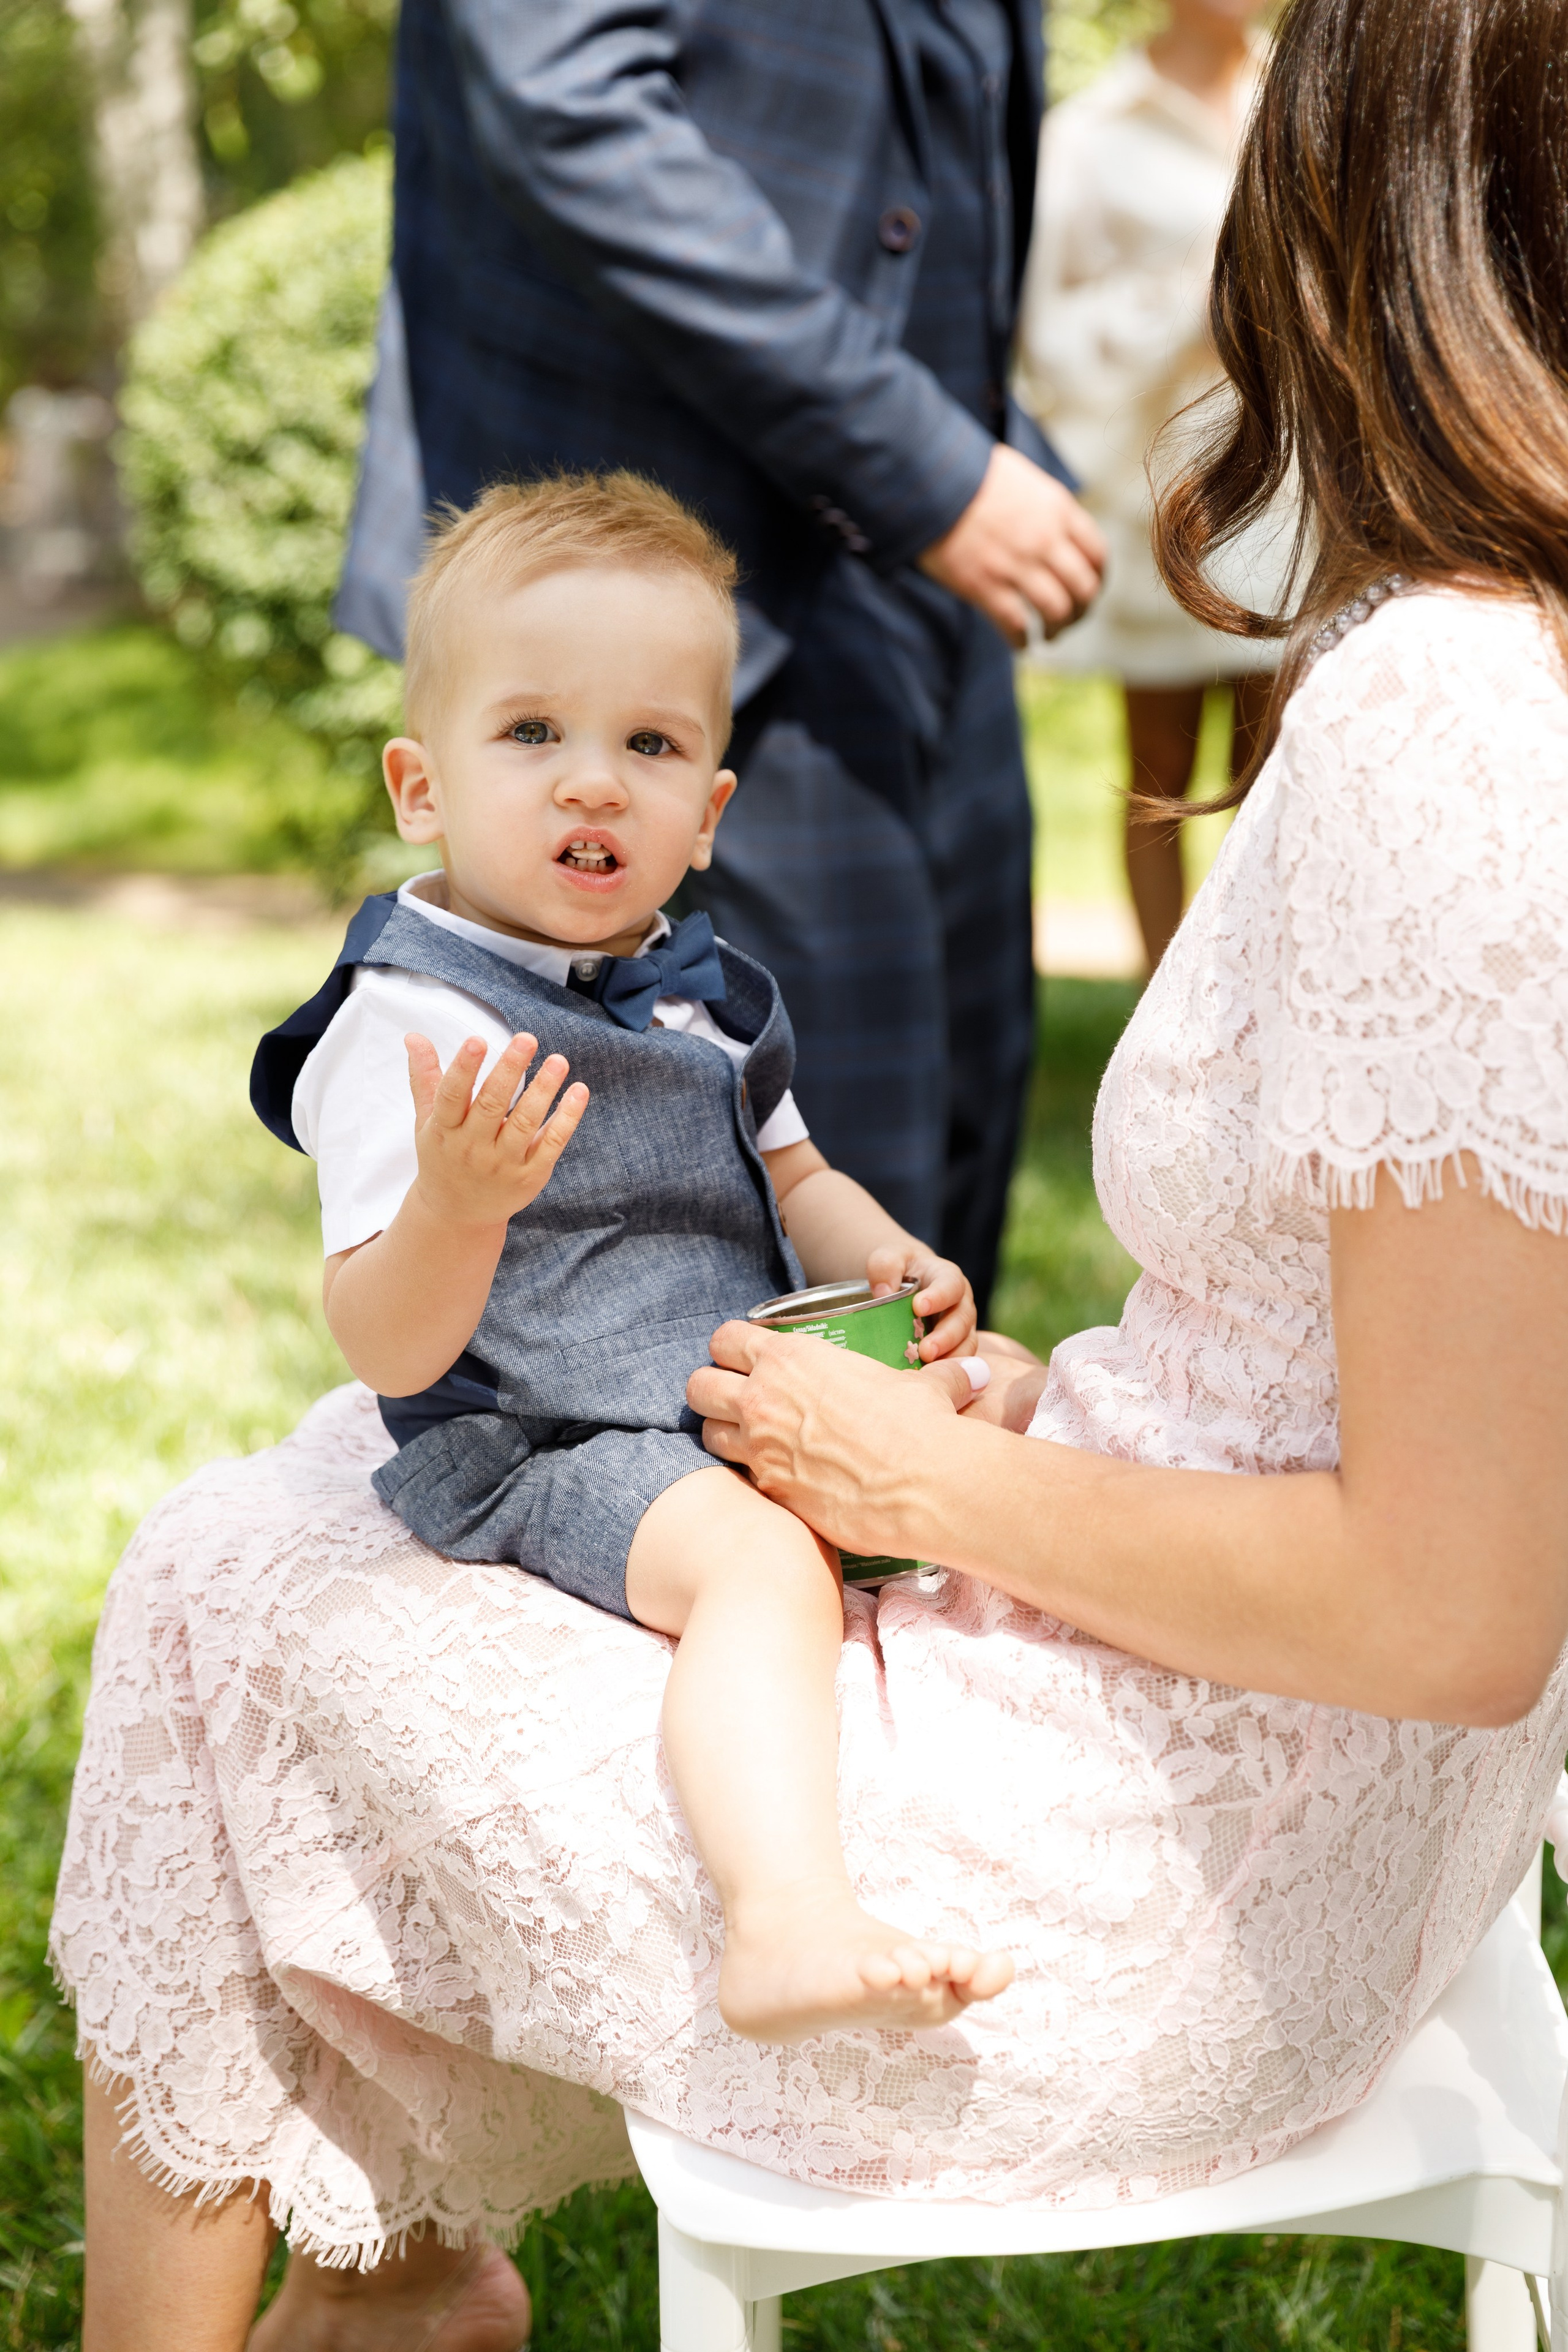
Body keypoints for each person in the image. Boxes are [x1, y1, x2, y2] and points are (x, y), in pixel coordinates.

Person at [57, 1, 1568, 2346]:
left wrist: (922, 1486)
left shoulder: (1453, 718)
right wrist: (1046, 1400)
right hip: (1275, 1781)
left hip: (1157, 1898)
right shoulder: (1499, 676)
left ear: (1373, 178)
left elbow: (1455, 1605)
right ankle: (397, 2283)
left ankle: (378, 2293)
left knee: (220, 1581)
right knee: (319, 1509)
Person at [257, 469, 1012, 2045]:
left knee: (1002, 1390)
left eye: (649, 746)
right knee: (754, 1564)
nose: (592, 784)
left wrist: (895, 1273)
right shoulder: (412, 1026)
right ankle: (784, 1915)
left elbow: (793, 1168)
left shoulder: (700, 990)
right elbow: (386, 1348)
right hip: (546, 1435)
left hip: (729, 1382)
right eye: (530, 734)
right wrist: (458, 1207)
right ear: (420, 783)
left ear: (708, 810)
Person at [333, 0, 1108, 1323]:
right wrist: (919, 462)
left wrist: (973, 435)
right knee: (748, 1237)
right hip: (652, 606)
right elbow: (568, 97)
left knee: (936, 1198)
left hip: (920, 567)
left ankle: (914, 1525)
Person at [1012, 0, 1280, 973]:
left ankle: (1269, 1007)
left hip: (1294, 498)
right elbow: (1050, 339)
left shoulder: (1301, 93)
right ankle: (1166, 1018)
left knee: (1280, 771)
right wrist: (1187, 306)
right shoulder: (1088, 134)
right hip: (1163, 500)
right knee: (1161, 775)